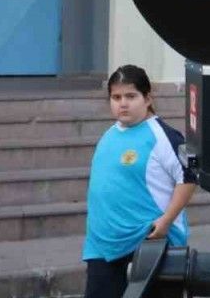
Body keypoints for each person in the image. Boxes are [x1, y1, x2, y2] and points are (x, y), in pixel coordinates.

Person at [82, 65, 196, 298]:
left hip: (148, 243)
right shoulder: (109, 134)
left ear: (147, 98)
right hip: (102, 246)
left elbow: (188, 178)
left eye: (131, 96)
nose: (123, 103)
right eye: (116, 97)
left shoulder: (164, 136)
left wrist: (166, 222)